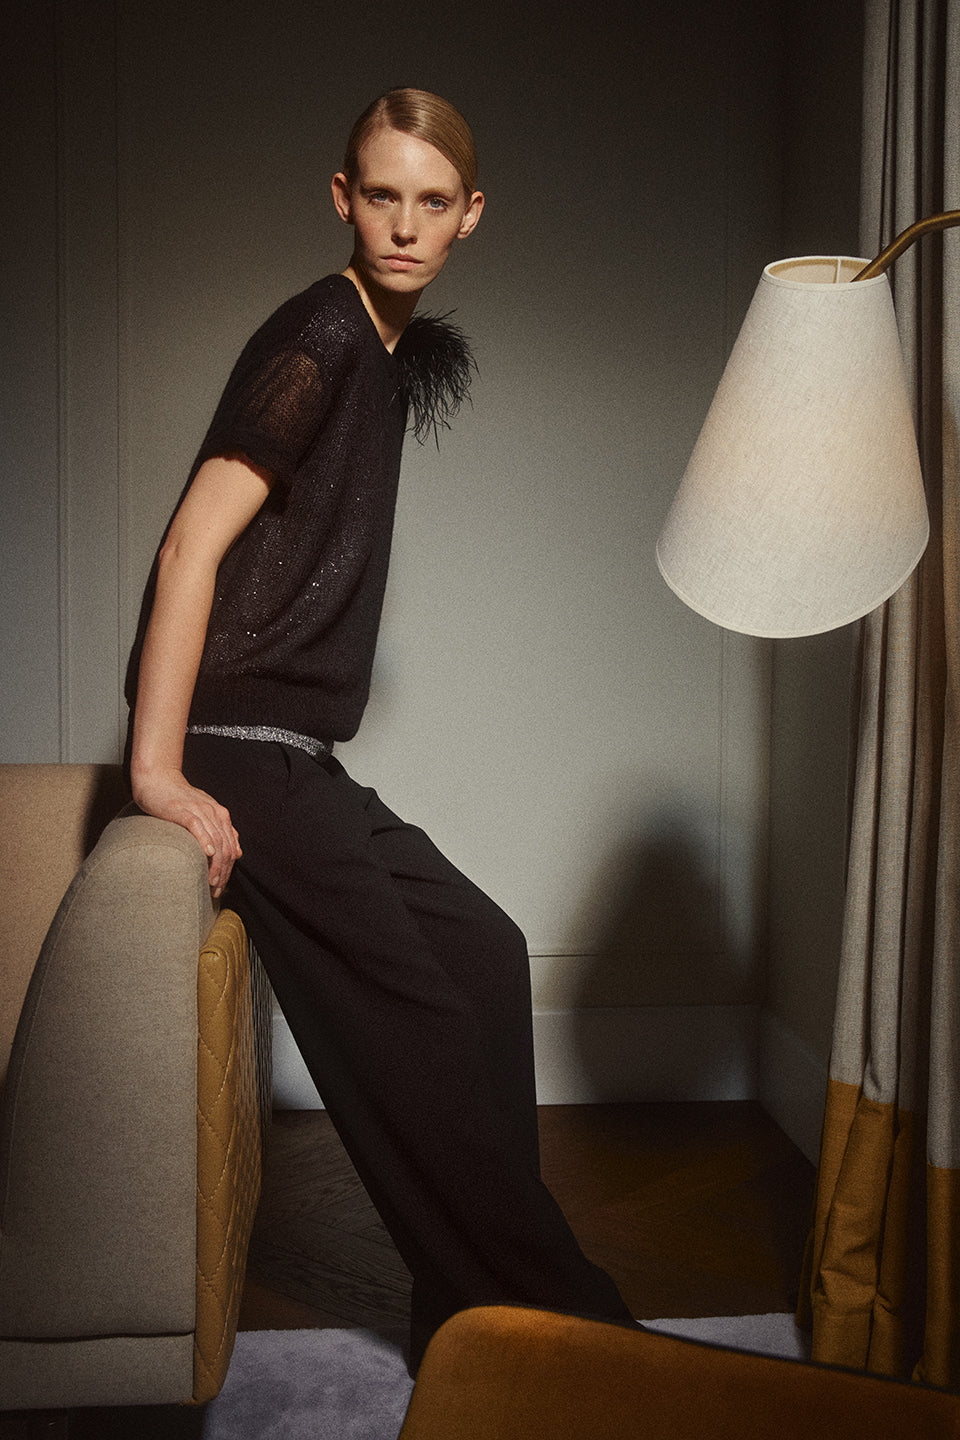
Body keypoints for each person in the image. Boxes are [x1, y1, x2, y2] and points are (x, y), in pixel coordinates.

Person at [125, 87, 636, 1371]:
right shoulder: (322, 336)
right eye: (382, 195)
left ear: (470, 215)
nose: (405, 225)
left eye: (432, 201)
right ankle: (567, 1329)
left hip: (301, 755)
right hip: (239, 748)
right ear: (343, 198)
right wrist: (156, 770)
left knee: (486, 954)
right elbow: (189, 544)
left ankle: (469, 1316)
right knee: (417, 1025)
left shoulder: (381, 352)